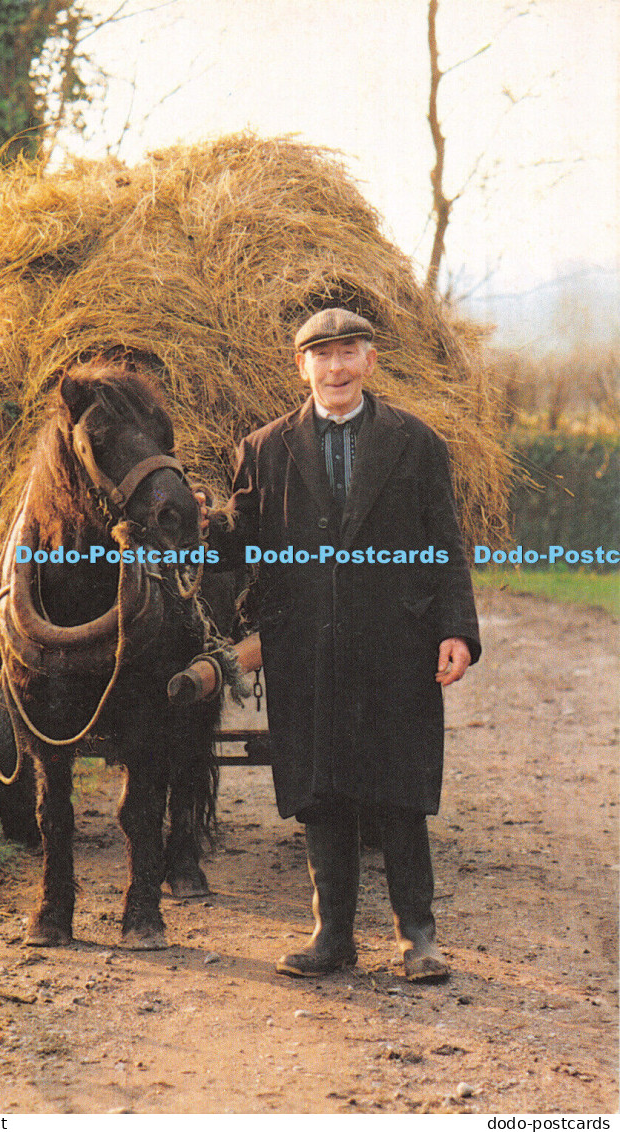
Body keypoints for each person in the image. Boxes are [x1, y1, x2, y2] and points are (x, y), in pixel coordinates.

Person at [202, 308, 481, 982]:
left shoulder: (416, 442)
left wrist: (456, 630)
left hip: (396, 642)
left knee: (399, 788)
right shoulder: (263, 448)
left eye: (348, 352)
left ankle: (417, 937)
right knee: (319, 787)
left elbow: (445, 544)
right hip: (306, 644)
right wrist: (202, 527)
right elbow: (245, 542)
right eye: (321, 355)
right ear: (301, 367)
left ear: (369, 361)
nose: (335, 368)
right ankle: (332, 937)